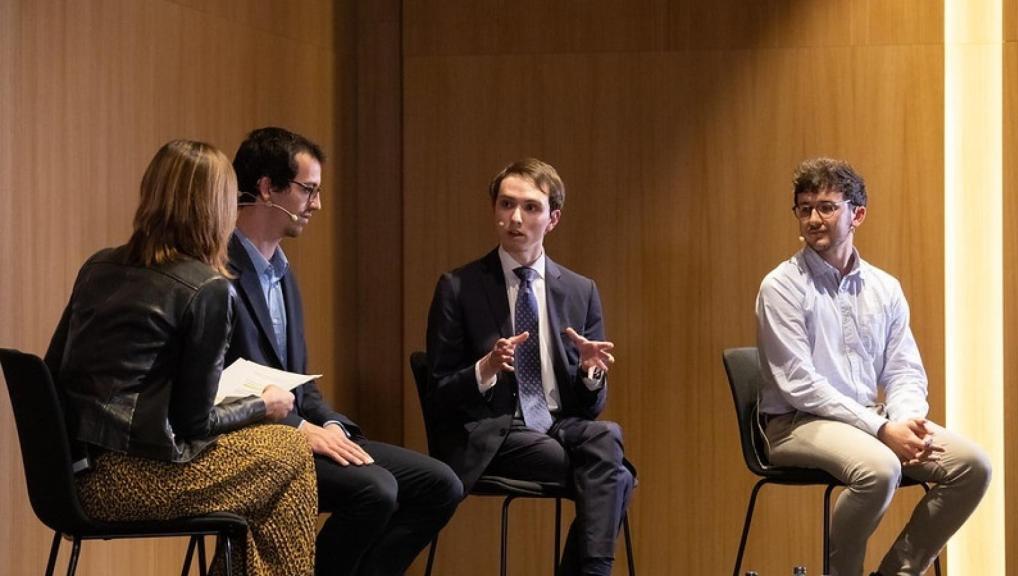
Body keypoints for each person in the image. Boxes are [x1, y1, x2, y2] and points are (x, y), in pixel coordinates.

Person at [44, 139, 317, 575]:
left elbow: (52, 372)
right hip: (131, 482)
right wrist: (263, 405)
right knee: (291, 452)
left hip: (72, 475)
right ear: (216, 208)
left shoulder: (98, 266)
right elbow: (195, 425)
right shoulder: (207, 288)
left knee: (274, 472)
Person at [225, 126, 462, 576]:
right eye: (308, 190)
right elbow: (217, 385)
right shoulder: (218, 271)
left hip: (299, 433)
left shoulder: (283, 273)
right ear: (267, 188)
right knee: (375, 489)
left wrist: (332, 425)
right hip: (251, 444)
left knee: (440, 485)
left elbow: (300, 382)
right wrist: (300, 428)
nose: (316, 204)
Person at [756, 157, 991, 576]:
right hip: (796, 423)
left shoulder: (884, 287)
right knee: (880, 470)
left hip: (868, 420)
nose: (813, 219)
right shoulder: (781, 286)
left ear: (857, 214)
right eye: (805, 208)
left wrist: (905, 421)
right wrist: (882, 430)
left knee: (972, 466)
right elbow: (800, 384)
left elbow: (904, 370)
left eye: (826, 207)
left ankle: (896, 573)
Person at [425, 158, 634, 576]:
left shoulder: (580, 290)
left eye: (531, 207)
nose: (516, 218)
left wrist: (591, 374)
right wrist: (485, 369)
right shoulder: (459, 287)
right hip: (492, 431)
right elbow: (439, 392)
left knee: (607, 435)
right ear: (494, 210)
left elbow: (589, 409)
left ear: (553, 219)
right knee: (616, 473)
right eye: (506, 204)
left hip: (559, 424)